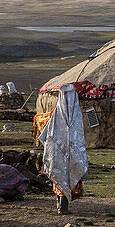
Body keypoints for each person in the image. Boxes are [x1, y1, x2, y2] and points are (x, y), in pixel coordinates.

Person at [36, 83, 88, 214]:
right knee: (61, 175)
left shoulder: (59, 116)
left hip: (64, 153)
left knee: (62, 175)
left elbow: (44, 135)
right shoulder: (69, 115)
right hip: (62, 152)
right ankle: (62, 205)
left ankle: (61, 204)